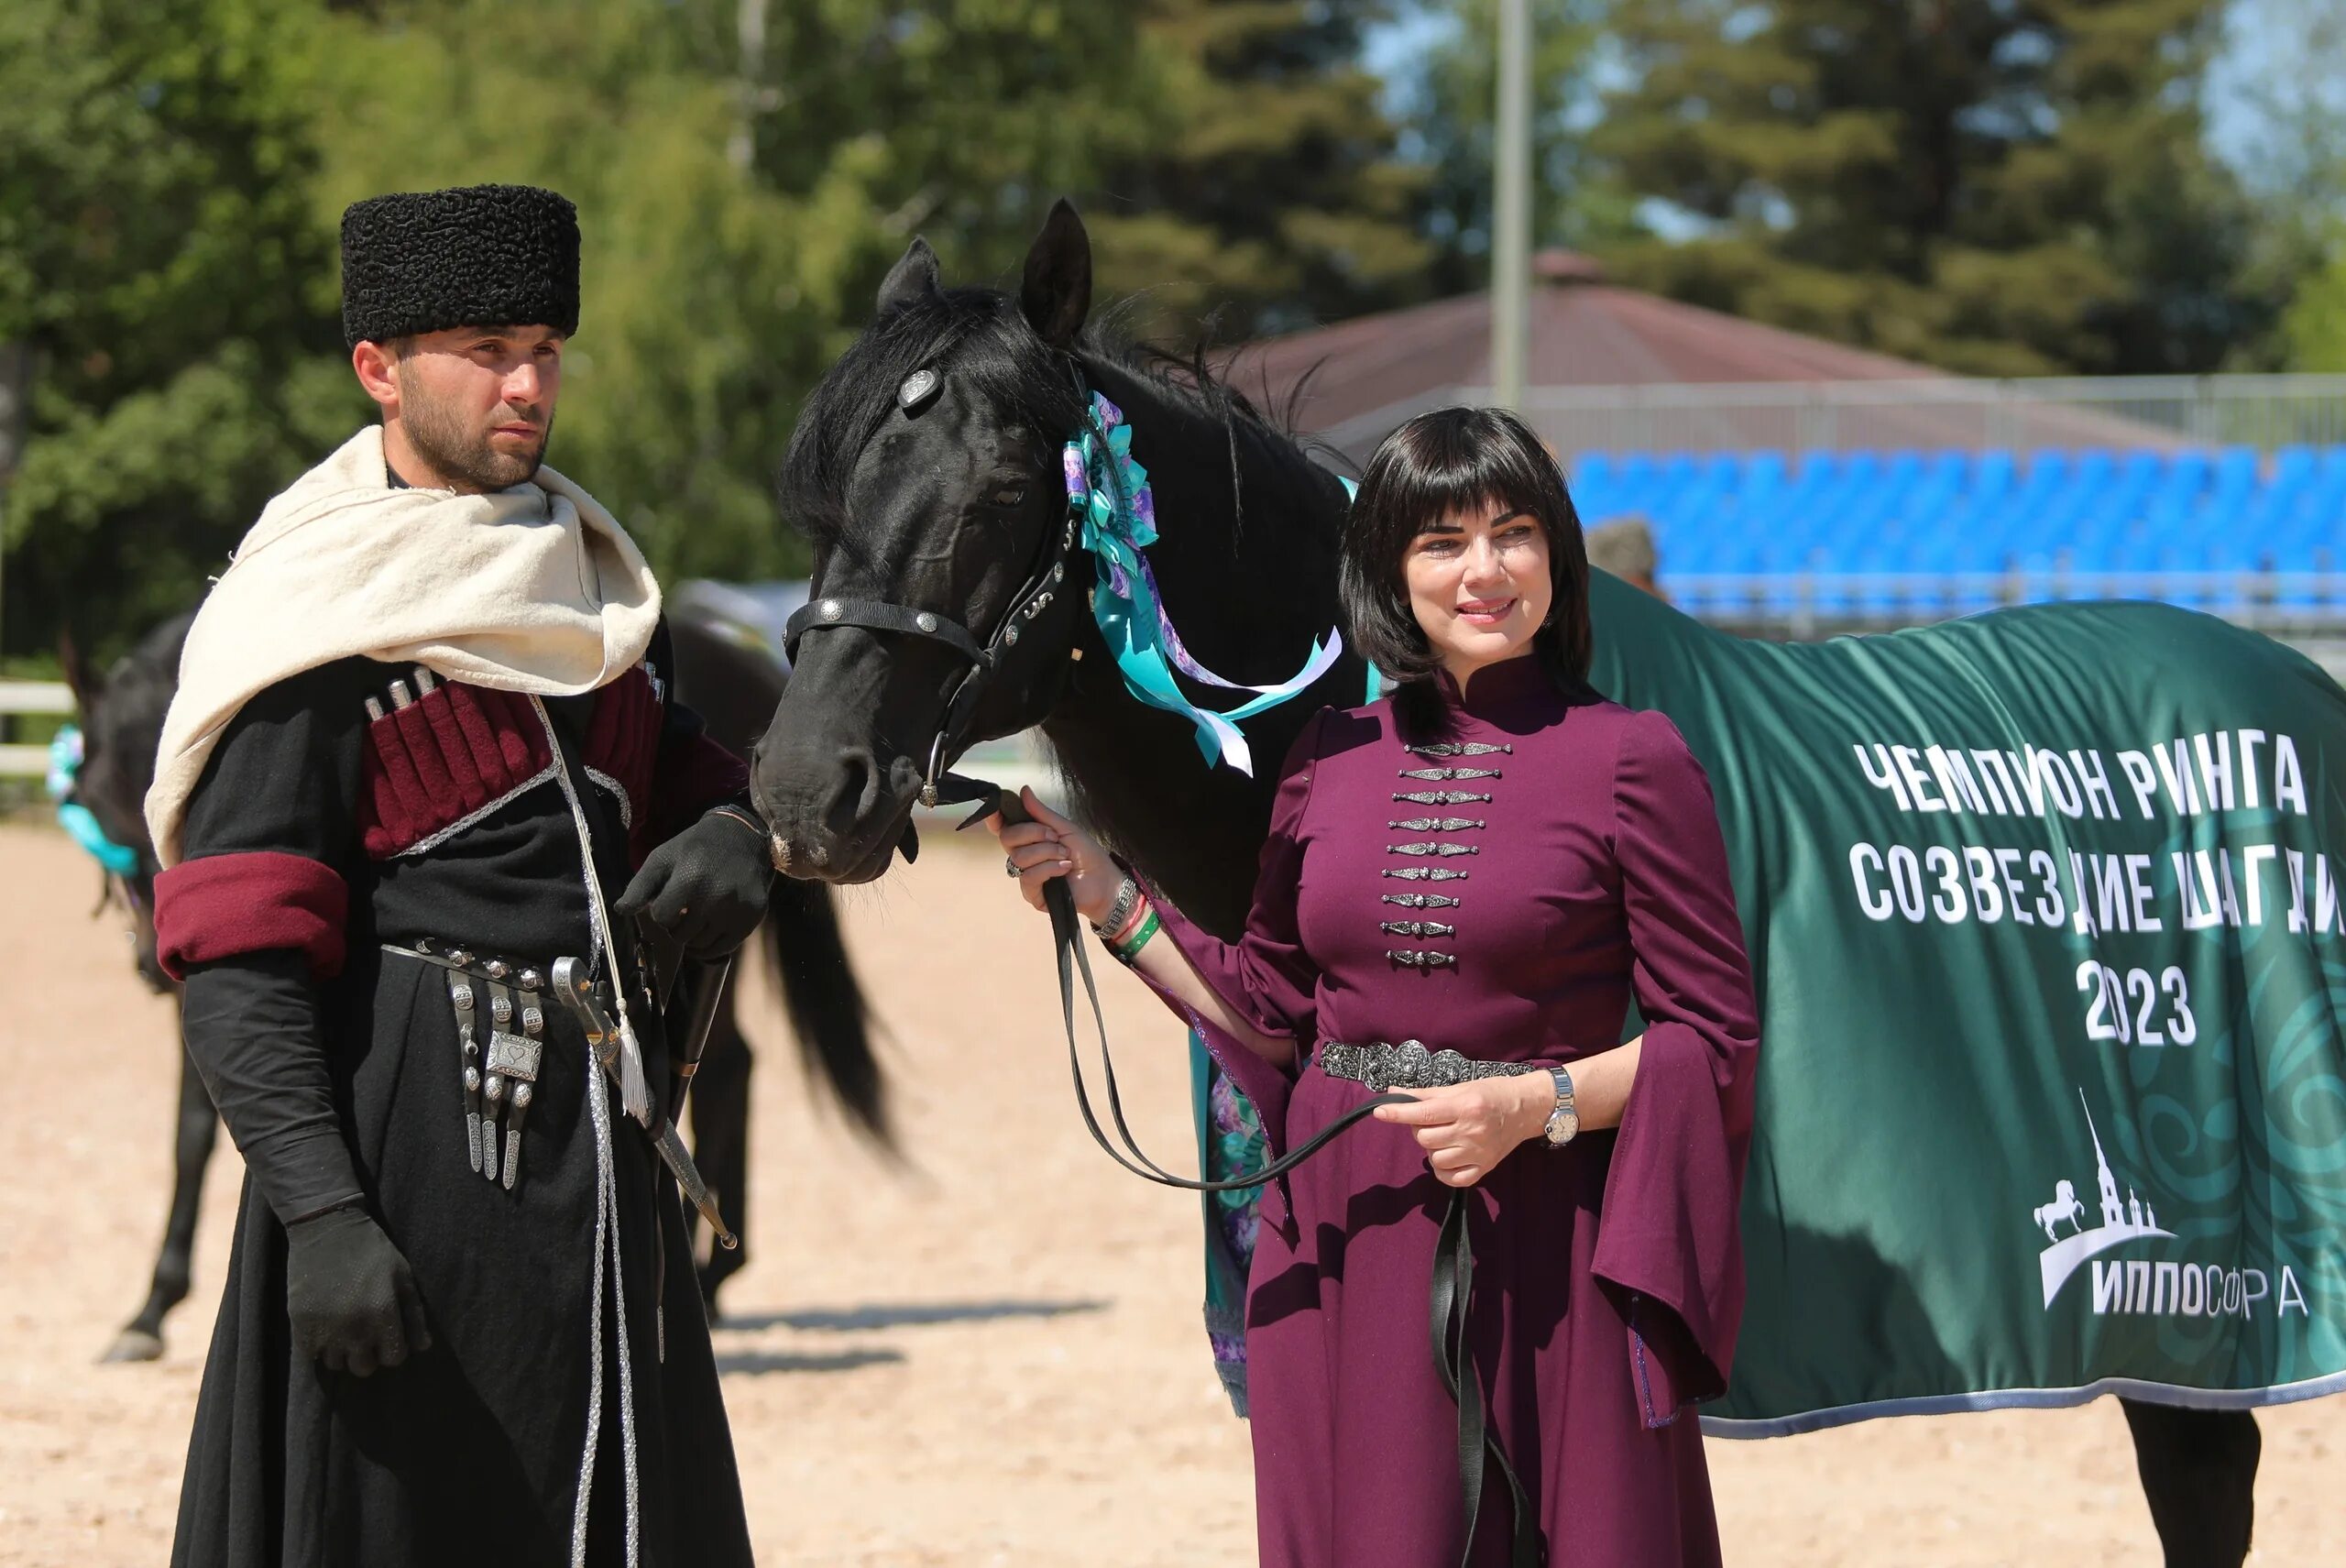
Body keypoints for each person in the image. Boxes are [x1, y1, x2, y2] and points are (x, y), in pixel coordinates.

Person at [990, 406, 1760, 1566]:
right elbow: (1271, 1010)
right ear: (1392, 574)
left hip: (1549, 1235)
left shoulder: (1633, 758)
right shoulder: (1328, 757)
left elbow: (1712, 1043)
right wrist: (1107, 893)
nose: (1483, 570)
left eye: (1513, 533)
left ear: (1556, 552)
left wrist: (1534, 1104)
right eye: (1441, 542)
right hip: (1348, 1238)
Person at [147, 184, 768, 1568]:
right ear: (379, 366)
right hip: (406, 1159)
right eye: (486, 347)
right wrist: (320, 1213)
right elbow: (240, 955)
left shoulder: (595, 592)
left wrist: (739, 829)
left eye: (545, 345)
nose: (527, 381)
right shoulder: (308, 623)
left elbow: (685, 775)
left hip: (601, 1163)